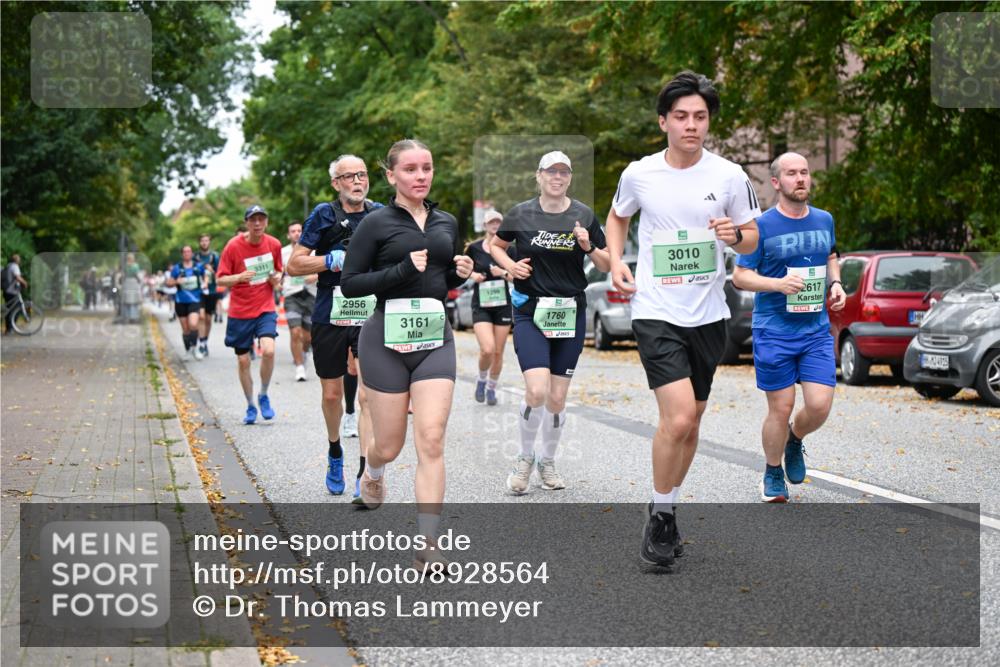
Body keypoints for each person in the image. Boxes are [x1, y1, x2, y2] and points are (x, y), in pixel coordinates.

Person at [604, 71, 761, 568]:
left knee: (691, 425)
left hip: (710, 313)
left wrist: (734, 235)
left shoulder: (730, 175)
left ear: (708, 122)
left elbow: (754, 237)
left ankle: (665, 503)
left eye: (700, 117)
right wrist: (616, 258)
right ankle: (662, 516)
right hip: (656, 310)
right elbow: (617, 218)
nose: (691, 125)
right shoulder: (640, 173)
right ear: (664, 122)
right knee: (677, 418)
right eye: (681, 117)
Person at [340, 139, 473, 565]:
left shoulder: (447, 222)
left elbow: (441, 275)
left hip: (434, 338)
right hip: (385, 341)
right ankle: (373, 470)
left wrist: (460, 272)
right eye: (411, 169)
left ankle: (429, 544)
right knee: (390, 445)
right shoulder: (376, 223)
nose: (421, 176)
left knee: (431, 438)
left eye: (427, 168)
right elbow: (351, 283)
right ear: (392, 175)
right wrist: (400, 270)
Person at [489, 151, 610, 494]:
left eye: (564, 172)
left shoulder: (583, 214)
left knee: (557, 398)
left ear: (569, 177)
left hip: (569, 312)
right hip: (531, 311)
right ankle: (525, 458)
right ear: (539, 176)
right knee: (537, 390)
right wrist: (511, 268)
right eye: (551, 171)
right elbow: (496, 246)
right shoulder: (521, 213)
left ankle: (548, 460)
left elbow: (606, 262)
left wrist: (587, 246)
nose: (557, 177)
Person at [732, 152, 845, 502]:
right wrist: (777, 284)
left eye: (805, 173)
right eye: (792, 174)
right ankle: (772, 471)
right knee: (780, 407)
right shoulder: (761, 226)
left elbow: (830, 255)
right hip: (774, 330)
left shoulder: (824, 219)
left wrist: (835, 284)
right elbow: (740, 276)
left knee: (820, 405)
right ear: (777, 182)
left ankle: (795, 438)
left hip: (814, 330)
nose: (801, 179)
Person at [288, 155, 383, 501]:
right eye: (349, 176)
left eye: (362, 174)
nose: (358, 181)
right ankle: (334, 452)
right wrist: (328, 260)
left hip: (370, 311)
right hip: (330, 309)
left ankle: (364, 471)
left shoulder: (380, 214)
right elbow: (294, 264)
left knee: (368, 396)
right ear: (336, 183)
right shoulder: (324, 214)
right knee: (331, 395)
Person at [216, 205, 283, 425]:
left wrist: (276, 279)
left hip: (264, 307)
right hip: (240, 311)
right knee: (244, 361)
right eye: (253, 220)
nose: (257, 224)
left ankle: (263, 394)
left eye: (261, 219)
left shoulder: (273, 244)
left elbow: (278, 272)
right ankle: (250, 405)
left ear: (266, 222)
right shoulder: (233, 246)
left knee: (269, 351)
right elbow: (220, 279)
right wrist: (239, 277)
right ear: (246, 223)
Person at [465, 210, 514, 406]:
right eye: (491, 222)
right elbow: (462, 269)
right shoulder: (475, 249)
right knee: (487, 349)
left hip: (502, 305)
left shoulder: (510, 249)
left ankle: (492, 388)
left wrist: (502, 272)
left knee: (498, 352)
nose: (495, 226)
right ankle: (481, 379)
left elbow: (518, 277)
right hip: (482, 305)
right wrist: (472, 275)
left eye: (498, 222)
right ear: (485, 226)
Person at [281, 221, 318, 382]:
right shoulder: (282, 252)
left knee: (308, 337)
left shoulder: (315, 251)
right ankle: (299, 366)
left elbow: (325, 269)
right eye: (293, 231)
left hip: (311, 294)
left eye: (299, 231)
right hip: (291, 295)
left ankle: (303, 354)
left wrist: (315, 276)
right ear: (288, 235)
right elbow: (277, 272)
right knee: (295, 332)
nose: (296, 233)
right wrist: (276, 279)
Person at [167, 245, 206, 360]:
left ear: (192, 253)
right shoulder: (177, 268)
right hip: (180, 301)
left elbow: (206, 276)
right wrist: (176, 281)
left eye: (189, 251)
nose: (187, 253)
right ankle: (188, 351)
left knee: (193, 324)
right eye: (185, 252)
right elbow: (169, 283)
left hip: (195, 300)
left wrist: (206, 283)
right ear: (182, 254)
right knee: (185, 329)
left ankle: (195, 348)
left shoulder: (198, 266)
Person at [195, 234, 221, 356]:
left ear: (209, 242)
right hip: (199, 291)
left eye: (206, 240)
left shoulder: (215, 256)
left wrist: (212, 270)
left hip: (211, 291)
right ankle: (200, 343)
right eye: (202, 241)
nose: (204, 243)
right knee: (201, 317)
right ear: (199, 242)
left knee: (208, 319)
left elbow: (221, 274)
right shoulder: (196, 257)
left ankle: (205, 342)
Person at [3, 253, 28, 333]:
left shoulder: (8, 266)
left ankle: (9, 328)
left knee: (9, 309)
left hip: (7, 290)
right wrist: (24, 282)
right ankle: (10, 328)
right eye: (19, 259)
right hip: (12, 291)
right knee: (16, 309)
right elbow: (17, 277)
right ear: (17, 260)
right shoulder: (15, 266)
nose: (20, 260)